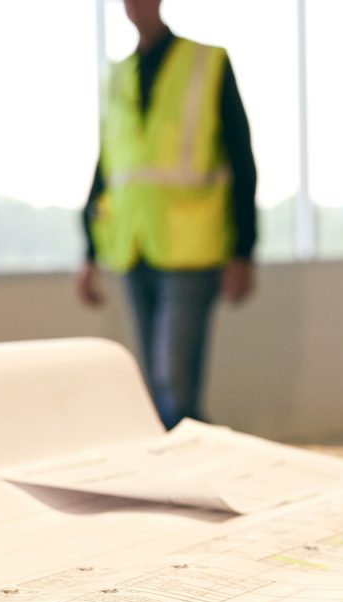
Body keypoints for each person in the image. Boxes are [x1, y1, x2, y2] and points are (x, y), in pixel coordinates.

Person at [75, 0, 258, 431]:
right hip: (132, 246)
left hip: (193, 248)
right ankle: (182, 481)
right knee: (157, 393)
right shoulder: (117, 75)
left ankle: (202, 478)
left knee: (174, 386)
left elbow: (241, 160)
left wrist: (243, 251)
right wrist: (88, 252)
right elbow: (107, 170)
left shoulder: (206, 62)